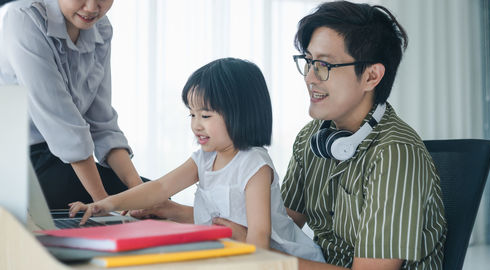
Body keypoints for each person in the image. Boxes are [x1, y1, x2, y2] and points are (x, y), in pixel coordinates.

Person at [141, 1, 447, 269]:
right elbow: (278, 221)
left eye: (324, 65)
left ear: (371, 76)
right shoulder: (312, 137)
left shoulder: (395, 154)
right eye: (309, 62)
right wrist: (175, 212)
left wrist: (255, 249)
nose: (310, 78)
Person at [68, 58, 325, 262]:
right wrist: (105, 205)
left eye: (206, 115)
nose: (196, 125)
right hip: (235, 251)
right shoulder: (204, 158)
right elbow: (160, 188)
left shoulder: (254, 164)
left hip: (279, 259)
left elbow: (259, 234)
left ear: (241, 114)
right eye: (192, 114)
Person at [0, 0, 147, 209]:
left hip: (63, 157)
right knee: (117, 208)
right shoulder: (22, 18)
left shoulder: (101, 28)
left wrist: (139, 190)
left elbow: (102, 123)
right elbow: (62, 126)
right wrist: (103, 203)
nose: (91, 7)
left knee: (155, 202)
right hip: (17, 159)